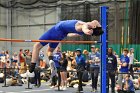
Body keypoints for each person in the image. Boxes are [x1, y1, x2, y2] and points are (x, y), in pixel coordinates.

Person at [29, 20, 103, 74]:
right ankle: (51, 60)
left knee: (36, 46)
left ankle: (32, 67)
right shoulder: (82, 30)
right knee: (50, 51)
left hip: (56, 30)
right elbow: (95, 22)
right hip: (61, 35)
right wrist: (98, 29)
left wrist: (86, 30)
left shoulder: (84, 25)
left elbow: (86, 26)